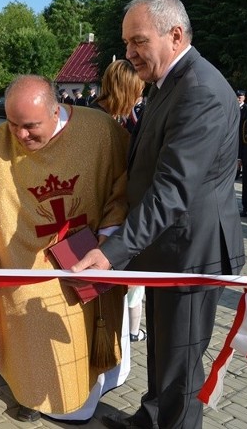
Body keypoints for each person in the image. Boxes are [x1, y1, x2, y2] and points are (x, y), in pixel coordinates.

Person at [71, 0, 245, 429]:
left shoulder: (199, 90)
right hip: (169, 248)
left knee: (181, 367)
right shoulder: (172, 83)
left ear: (175, 35)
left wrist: (113, 252)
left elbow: (172, 190)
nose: (129, 53)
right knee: (164, 352)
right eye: (126, 42)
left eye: (138, 42)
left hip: (192, 255)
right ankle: (151, 418)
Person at [0, 74, 130, 423]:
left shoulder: (99, 131)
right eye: (13, 123)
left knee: (76, 340)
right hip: (22, 263)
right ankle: (29, 394)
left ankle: (80, 401)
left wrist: (109, 239)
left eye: (30, 126)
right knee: (27, 340)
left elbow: (123, 186)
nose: (20, 135)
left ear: (56, 109)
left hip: (82, 259)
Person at [92, 59, 148, 344]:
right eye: (137, 92)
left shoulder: (121, 120)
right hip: (93, 223)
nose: (140, 98)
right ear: (125, 90)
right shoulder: (94, 122)